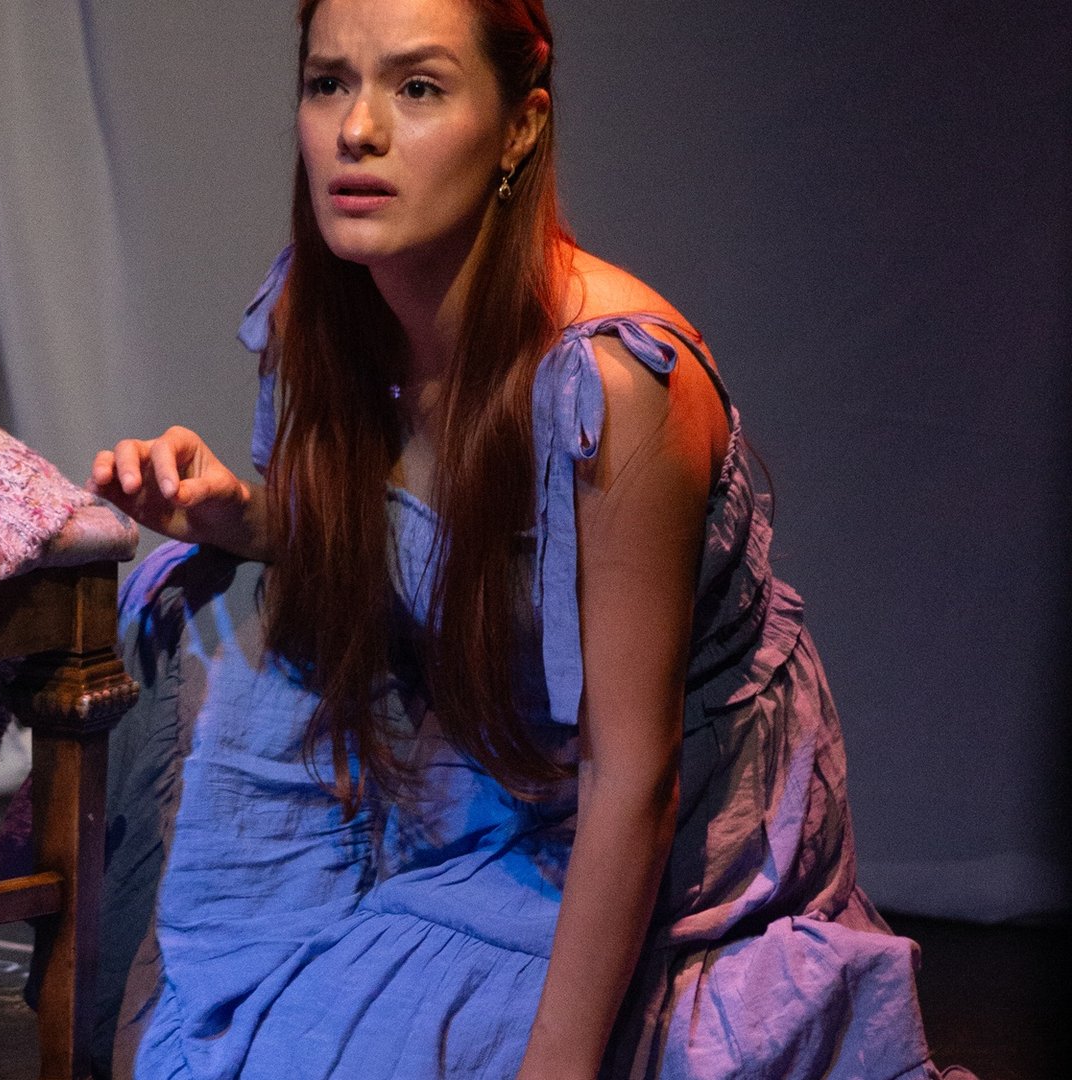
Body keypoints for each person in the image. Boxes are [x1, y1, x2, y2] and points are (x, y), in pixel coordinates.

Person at [85, 1, 974, 1077]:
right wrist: (246, 516)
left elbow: (634, 776)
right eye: (329, 84)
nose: (357, 129)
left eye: (418, 87)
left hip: (662, 834)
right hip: (476, 756)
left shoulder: (611, 383)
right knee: (191, 592)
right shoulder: (323, 313)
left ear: (520, 125)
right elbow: (406, 544)